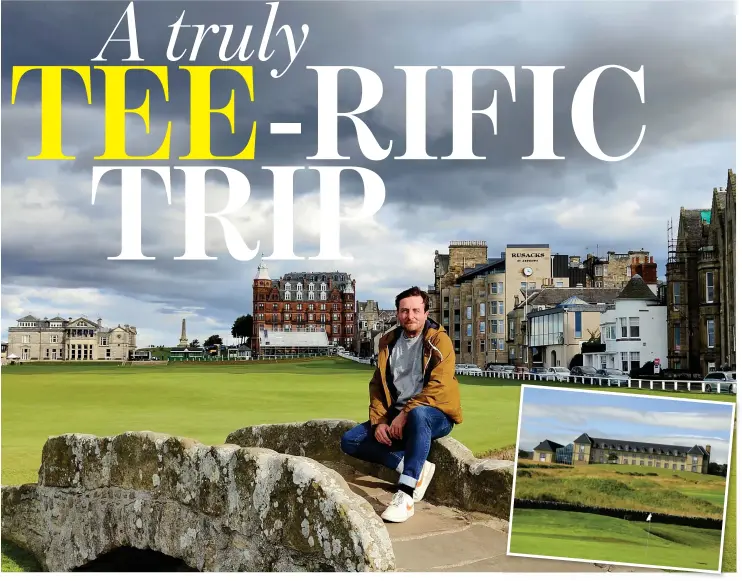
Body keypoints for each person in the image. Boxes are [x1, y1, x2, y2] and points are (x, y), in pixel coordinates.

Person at [340, 286, 463, 523]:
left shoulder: (439, 340)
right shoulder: (388, 341)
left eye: (416, 310)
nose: (410, 316)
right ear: (397, 313)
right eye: (405, 311)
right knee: (350, 440)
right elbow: (377, 384)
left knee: (418, 415)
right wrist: (380, 422)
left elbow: (438, 386)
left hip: (435, 414)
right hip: (398, 415)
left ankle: (405, 495)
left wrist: (404, 414)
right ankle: (413, 466)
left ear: (426, 313)